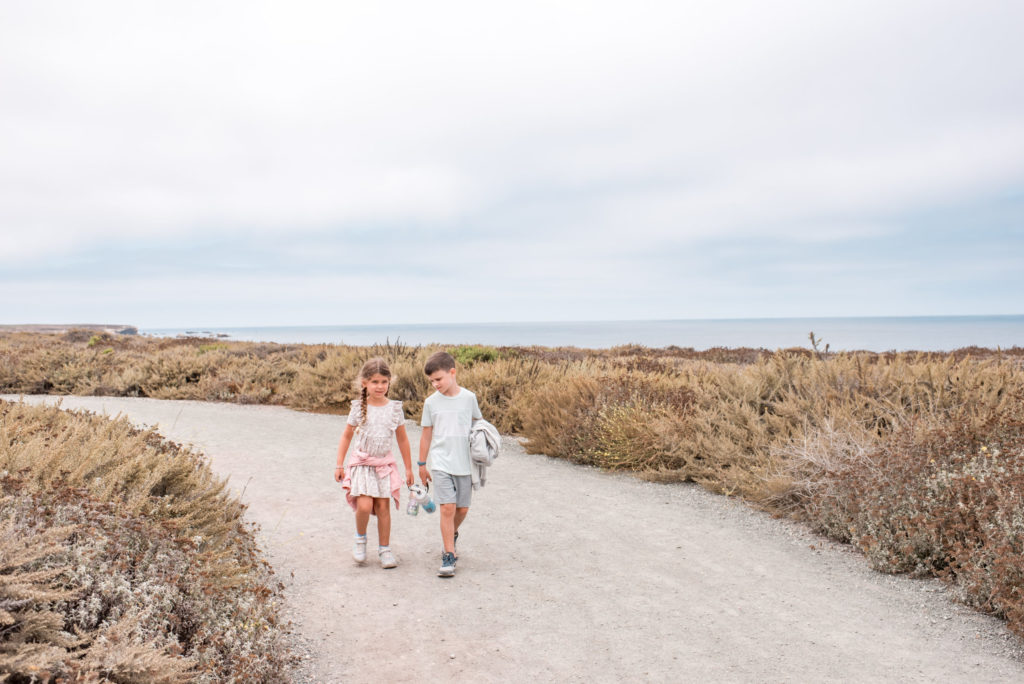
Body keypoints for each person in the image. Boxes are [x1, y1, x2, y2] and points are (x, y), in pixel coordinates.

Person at [335, 358, 414, 568]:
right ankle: (360, 539)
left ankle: (385, 549)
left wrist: (408, 468)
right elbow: (346, 436)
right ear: (364, 383)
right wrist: (339, 464)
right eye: (375, 382)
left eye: (384, 381)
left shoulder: (395, 409)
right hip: (361, 464)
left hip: (383, 464)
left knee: (382, 508)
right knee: (364, 505)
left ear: (389, 382)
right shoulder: (358, 408)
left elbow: (403, 439)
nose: (380, 386)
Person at [418, 350, 482, 577]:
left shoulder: (469, 398)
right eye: (431, 381)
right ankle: (448, 555)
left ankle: (451, 534)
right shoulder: (431, 403)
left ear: (452, 372)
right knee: (447, 508)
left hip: (465, 463)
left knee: (462, 509)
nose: (435, 384)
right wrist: (421, 464)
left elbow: (478, 425)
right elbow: (426, 434)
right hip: (441, 462)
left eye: (438, 379)